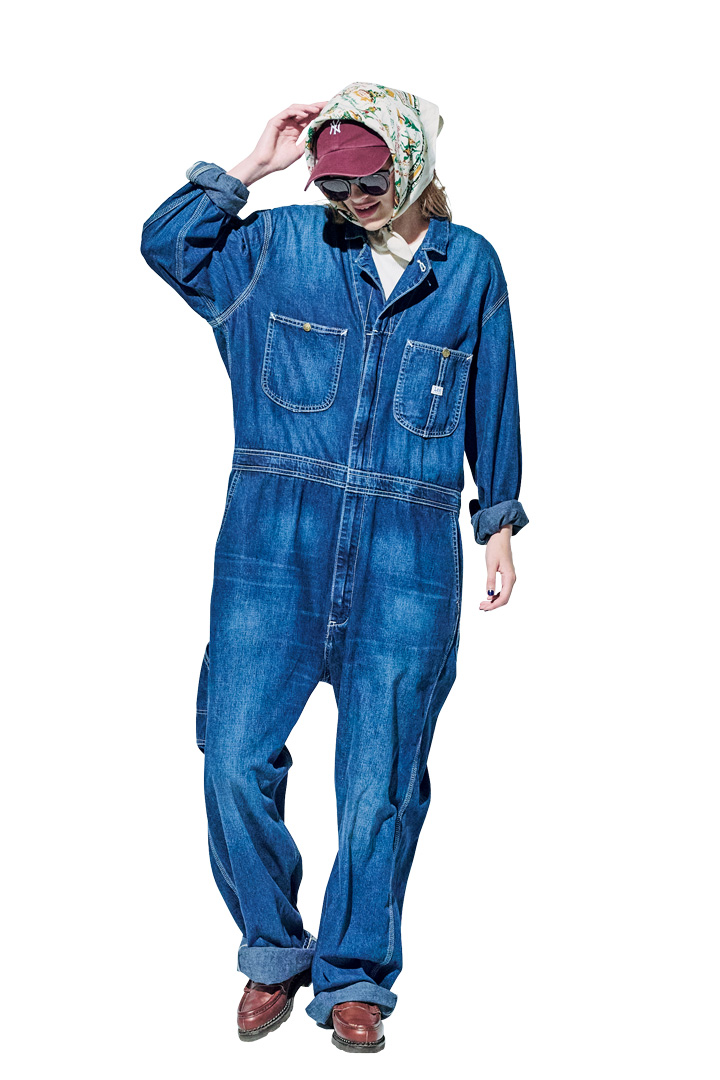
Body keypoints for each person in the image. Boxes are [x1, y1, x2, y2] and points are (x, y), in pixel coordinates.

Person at [140, 80, 528, 1055]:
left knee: (379, 784)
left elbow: (493, 393)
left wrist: (498, 522)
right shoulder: (276, 248)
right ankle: (274, 948)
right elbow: (165, 243)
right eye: (335, 184)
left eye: (368, 182)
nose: (350, 200)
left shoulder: (469, 268)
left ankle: (355, 974)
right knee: (231, 759)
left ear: (413, 167)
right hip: (273, 550)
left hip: (408, 558)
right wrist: (251, 165)